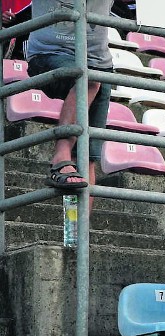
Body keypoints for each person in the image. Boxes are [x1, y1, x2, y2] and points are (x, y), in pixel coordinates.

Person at [26, 0, 112, 198]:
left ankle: (81, 228)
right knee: (87, 80)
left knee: (88, 158)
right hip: (49, 52)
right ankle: (60, 156)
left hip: (98, 61)